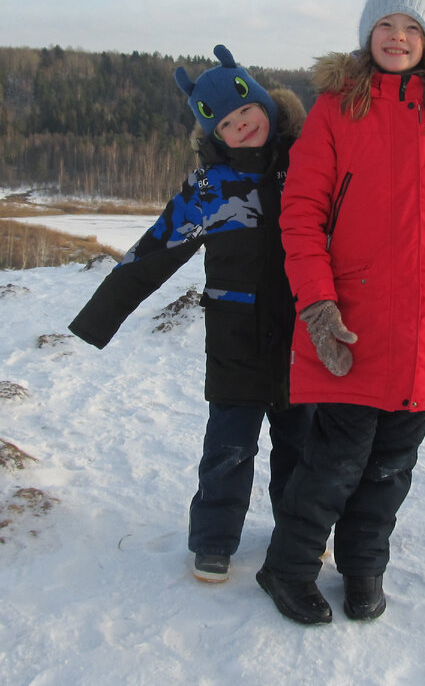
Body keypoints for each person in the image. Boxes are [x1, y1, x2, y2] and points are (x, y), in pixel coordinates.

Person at [255, 0, 425, 624]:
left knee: (393, 465)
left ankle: (365, 569)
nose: (399, 37)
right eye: (388, 25)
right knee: (335, 462)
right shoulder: (337, 112)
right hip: (353, 321)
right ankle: (287, 569)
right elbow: (301, 216)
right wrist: (316, 306)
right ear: (368, 36)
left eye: (413, 28)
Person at [69, 44, 312, 584]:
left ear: (266, 104)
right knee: (227, 449)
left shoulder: (308, 165)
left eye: (245, 110)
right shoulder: (207, 190)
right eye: (226, 122)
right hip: (235, 340)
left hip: (302, 337)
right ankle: (213, 542)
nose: (241, 125)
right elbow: (154, 251)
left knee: (302, 447)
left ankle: (301, 536)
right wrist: (97, 319)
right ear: (213, 133)